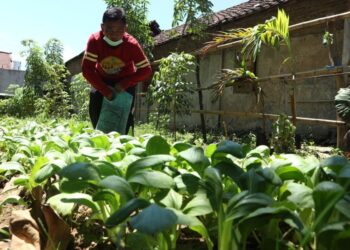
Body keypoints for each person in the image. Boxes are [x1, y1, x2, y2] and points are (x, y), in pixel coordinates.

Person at [82, 7, 152, 134]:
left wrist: (124, 84)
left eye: (119, 29)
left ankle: (122, 145)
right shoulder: (95, 40)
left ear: (125, 28)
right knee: (95, 111)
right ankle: (100, 141)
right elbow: (87, 70)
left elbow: (146, 70)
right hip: (101, 80)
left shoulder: (131, 44)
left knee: (124, 119)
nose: (114, 33)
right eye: (109, 29)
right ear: (102, 27)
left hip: (125, 82)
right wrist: (105, 90)